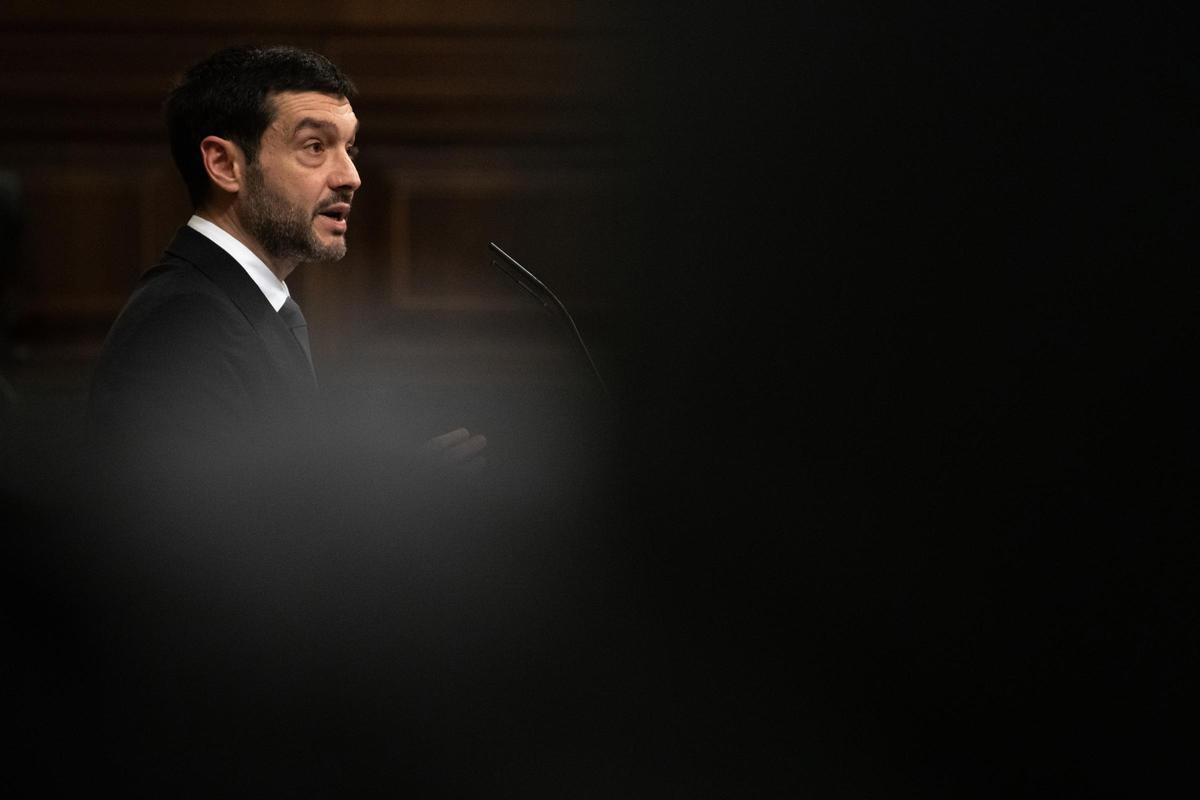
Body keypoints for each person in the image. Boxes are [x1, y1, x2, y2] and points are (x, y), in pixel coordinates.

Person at [88, 44, 485, 473]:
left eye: (349, 148)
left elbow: (270, 494)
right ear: (224, 164)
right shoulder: (184, 323)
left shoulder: (234, 303)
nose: (351, 176)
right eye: (315, 146)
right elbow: (199, 529)